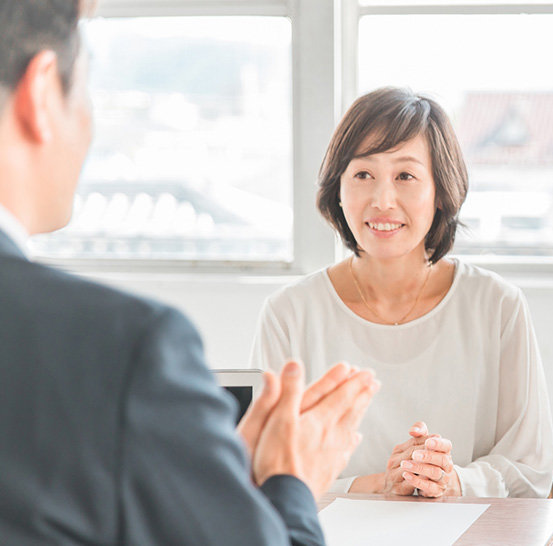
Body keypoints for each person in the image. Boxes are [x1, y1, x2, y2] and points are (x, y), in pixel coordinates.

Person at [0, 1, 378, 543]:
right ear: (40, 94)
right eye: (84, 87)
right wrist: (290, 484)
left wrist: (204, 481)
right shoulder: (122, 349)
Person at [250, 87, 553, 498]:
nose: (383, 200)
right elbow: (266, 478)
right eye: (363, 175)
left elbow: (532, 466)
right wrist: (377, 486)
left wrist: (451, 481)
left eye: (405, 176)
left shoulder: (497, 306)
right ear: (338, 190)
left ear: (441, 191)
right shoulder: (290, 313)